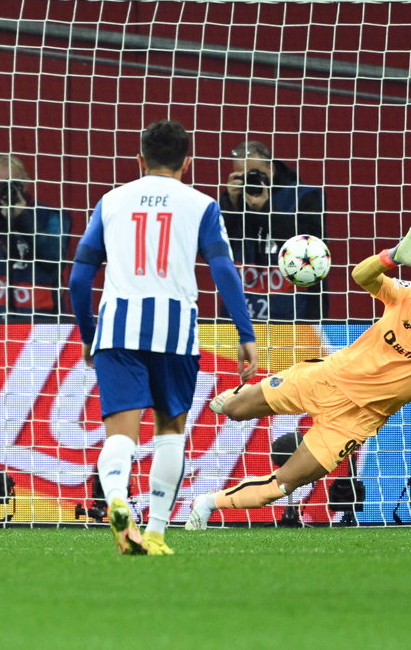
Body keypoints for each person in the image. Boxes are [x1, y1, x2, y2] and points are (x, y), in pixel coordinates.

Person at [187, 223, 411, 528]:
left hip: (355, 420)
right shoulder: (410, 296)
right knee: (234, 410)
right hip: (326, 377)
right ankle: (235, 396)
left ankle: (207, 504)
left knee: (281, 485)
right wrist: (391, 256)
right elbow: (362, 276)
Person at [69, 119, 258, 556]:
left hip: (118, 328)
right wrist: (244, 331)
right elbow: (223, 270)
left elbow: (80, 277)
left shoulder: (111, 200)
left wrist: (87, 332)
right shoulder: (201, 204)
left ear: (140, 159)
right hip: (175, 335)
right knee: (170, 431)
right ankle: (155, 532)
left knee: (120, 435)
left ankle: (117, 500)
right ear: (187, 162)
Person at [0, 154, 70, 321]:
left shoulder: (50, 216)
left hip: (38, 324)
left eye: (12, 184)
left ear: (26, 184)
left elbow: (55, 259)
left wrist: (23, 217)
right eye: (0, 185)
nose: (6, 190)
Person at [218, 140, 325, 321]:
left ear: (271, 169)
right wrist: (231, 206)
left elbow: (313, 250)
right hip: (240, 312)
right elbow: (218, 250)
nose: (249, 180)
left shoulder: (305, 195)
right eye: (241, 175)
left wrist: (266, 209)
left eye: (254, 174)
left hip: (295, 313)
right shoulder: (233, 199)